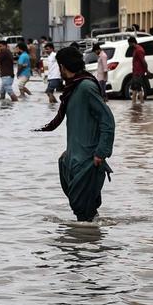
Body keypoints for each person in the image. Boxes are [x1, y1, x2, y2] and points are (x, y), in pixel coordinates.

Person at [35, 46, 115, 222]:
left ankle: (87, 245)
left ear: (63, 67)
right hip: (73, 158)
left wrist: (101, 152)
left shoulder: (86, 87)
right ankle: (87, 242)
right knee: (83, 214)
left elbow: (107, 121)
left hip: (88, 160)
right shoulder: (73, 88)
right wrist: (69, 152)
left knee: (84, 212)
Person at [130, 37, 149, 102]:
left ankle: (141, 103)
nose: (129, 45)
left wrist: (146, 70)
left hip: (138, 73)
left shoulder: (139, 50)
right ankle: (134, 104)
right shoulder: (136, 49)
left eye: (129, 44)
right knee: (134, 88)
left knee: (138, 88)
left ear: (132, 43)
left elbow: (143, 61)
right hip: (135, 72)